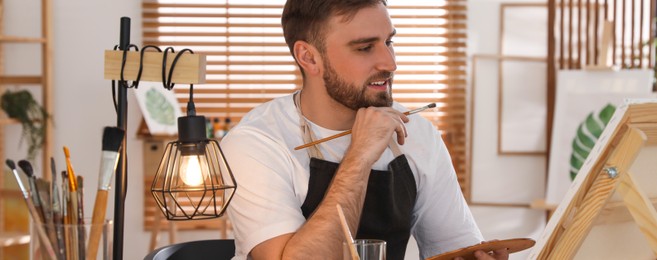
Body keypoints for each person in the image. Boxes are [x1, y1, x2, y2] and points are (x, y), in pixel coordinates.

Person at [220, 0, 509, 259]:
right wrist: (359, 156)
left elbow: (453, 247)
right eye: (365, 48)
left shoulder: (418, 134)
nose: (390, 63)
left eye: (389, 42)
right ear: (308, 57)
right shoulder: (255, 143)